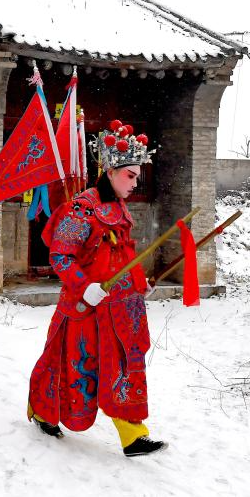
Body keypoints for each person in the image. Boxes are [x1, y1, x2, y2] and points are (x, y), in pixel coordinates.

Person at [26, 119, 166, 457]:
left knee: (124, 367)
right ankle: (44, 413)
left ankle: (133, 436)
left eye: (138, 177)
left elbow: (124, 253)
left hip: (122, 311)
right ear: (111, 171)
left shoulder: (119, 207)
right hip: (85, 307)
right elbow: (60, 255)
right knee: (72, 366)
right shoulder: (82, 207)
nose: (135, 183)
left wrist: (138, 283)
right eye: (130, 176)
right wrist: (84, 286)